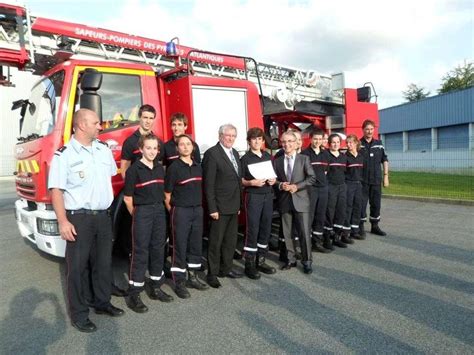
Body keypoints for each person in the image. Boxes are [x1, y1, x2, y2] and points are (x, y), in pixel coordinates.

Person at [49, 109, 124, 333]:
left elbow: (110, 176)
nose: (100, 127)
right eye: (96, 123)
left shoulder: (102, 150)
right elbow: (56, 191)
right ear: (81, 125)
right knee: (78, 268)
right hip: (79, 218)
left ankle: (101, 303)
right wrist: (63, 221)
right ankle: (79, 314)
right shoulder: (64, 155)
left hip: (103, 217)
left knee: (103, 263)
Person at [123, 133, 173, 313]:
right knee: (140, 251)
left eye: (155, 148)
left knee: (158, 248)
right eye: (148, 148)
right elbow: (128, 199)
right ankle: (134, 293)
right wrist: (137, 215)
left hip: (159, 211)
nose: (152, 151)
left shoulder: (160, 169)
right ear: (141, 149)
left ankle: (155, 286)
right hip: (142, 212)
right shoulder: (134, 170)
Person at [164, 134, 209, 298]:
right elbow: (167, 194)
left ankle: (193, 276)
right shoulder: (173, 168)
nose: (185, 147)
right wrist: (174, 212)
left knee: (195, 244)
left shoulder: (198, 166)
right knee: (180, 246)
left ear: (193, 147)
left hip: (197, 210)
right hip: (180, 211)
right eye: (181, 144)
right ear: (177, 148)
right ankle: (179, 282)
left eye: (188, 144)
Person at [202, 124, 243, 288]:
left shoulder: (234, 153)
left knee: (230, 241)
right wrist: (212, 208)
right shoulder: (212, 154)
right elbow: (209, 184)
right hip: (219, 207)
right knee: (215, 242)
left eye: (233, 136)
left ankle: (226, 269)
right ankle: (212, 273)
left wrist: (239, 203)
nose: (231, 139)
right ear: (220, 136)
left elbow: (237, 180)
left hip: (233, 205)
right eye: (228, 135)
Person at [274, 131, 315, 274]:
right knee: (287, 234)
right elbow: (274, 180)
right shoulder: (277, 161)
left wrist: (296, 186)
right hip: (285, 201)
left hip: (301, 201)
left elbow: (312, 178)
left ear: (295, 142)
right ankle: (290, 259)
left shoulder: (304, 159)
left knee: (304, 233)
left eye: (290, 141)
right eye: (284, 142)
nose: (287, 144)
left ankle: (307, 261)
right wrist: (280, 185)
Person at [240, 127, 277, 280]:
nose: (257, 141)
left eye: (259, 139)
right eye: (254, 139)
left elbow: (273, 175)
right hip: (253, 196)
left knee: (265, 228)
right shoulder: (245, 159)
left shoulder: (267, 156)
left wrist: (273, 180)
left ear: (263, 141)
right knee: (252, 229)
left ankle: (261, 260)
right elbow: (240, 180)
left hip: (267, 195)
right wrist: (250, 182)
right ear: (249, 141)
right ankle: (249, 263)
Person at [302, 129, 332, 253]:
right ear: (311, 138)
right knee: (310, 216)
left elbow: (326, 170)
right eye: (315, 139)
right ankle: (306, 243)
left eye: (320, 139)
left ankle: (317, 242)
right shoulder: (305, 154)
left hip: (323, 188)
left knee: (320, 216)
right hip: (311, 189)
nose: (317, 141)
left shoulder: (325, 154)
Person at [359, 120, 389, 236]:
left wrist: (386, 176)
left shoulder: (379, 144)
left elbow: (385, 160)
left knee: (376, 203)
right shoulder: (359, 144)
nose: (369, 131)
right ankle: (360, 226)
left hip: (376, 180)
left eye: (371, 129)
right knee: (361, 204)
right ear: (363, 130)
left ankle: (375, 226)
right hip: (362, 180)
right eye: (367, 129)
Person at [120, 104, 164, 179]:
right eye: (145, 117)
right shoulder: (130, 142)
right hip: (138, 188)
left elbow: (160, 166)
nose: (148, 121)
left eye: (151, 118)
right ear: (139, 118)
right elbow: (124, 170)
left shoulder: (159, 142)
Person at [324, 134, 352, 249]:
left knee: (341, 211)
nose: (336, 144)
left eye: (337, 142)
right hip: (331, 187)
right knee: (330, 213)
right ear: (329, 144)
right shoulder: (326, 156)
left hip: (342, 187)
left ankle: (337, 236)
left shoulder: (343, 157)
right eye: (333, 142)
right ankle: (326, 238)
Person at [343, 134, 365, 241]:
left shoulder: (361, 156)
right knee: (348, 207)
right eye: (347, 143)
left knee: (357, 207)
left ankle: (355, 231)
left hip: (358, 184)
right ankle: (346, 231)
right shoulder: (345, 157)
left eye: (350, 142)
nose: (348, 144)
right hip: (349, 184)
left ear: (356, 143)